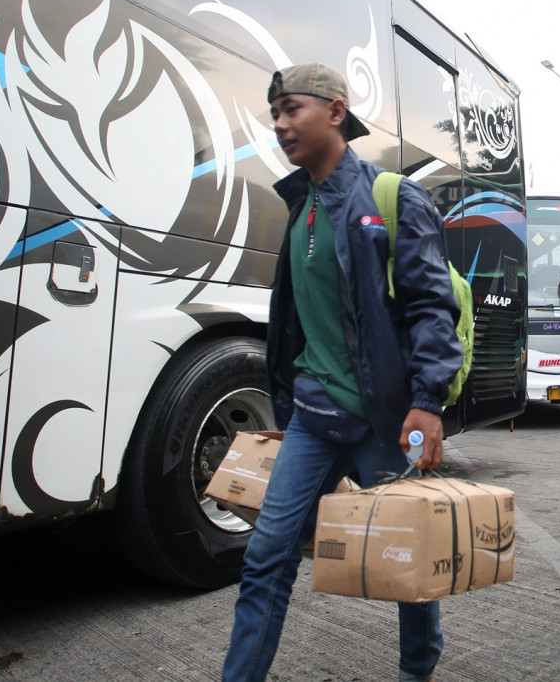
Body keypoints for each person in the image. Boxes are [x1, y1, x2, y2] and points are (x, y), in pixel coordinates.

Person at [223, 62, 460, 682]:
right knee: (267, 559)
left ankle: (417, 670)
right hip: (311, 417)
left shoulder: (391, 197)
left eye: (292, 109)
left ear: (335, 112)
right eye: (275, 113)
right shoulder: (299, 204)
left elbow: (434, 305)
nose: (280, 124)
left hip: (381, 420)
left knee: (405, 562)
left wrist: (428, 401)